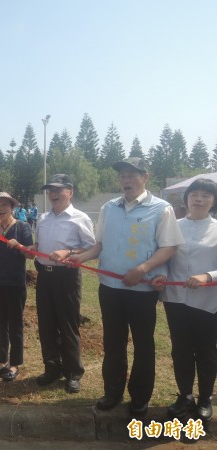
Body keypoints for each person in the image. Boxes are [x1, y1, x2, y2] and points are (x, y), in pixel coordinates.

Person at [68, 157, 183, 416]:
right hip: (110, 288)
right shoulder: (109, 208)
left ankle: (140, 397)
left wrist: (142, 270)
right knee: (113, 342)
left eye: (132, 174)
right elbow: (99, 245)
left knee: (143, 344)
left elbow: (169, 247)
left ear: (146, 177)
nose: (126, 180)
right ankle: (112, 392)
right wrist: (81, 257)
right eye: (122, 175)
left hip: (142, 291)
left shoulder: (161, 209)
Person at [151, 178, 217, 422]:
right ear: (187, 198)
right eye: (194, 194)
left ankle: (205, 398)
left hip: (207, 301)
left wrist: (207, 275)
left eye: (205, 195)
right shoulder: (173, 226)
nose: (199, 199)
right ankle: (185, 395)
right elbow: (165, 259)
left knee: (206, 350)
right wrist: (161, 275)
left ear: (213, 201)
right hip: (176, 299)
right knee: (181, 350)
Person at [31, 174, 95, 394]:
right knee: (47, 324)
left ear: (70, 192)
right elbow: (38, 244)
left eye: (59, 190)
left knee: (68, 325)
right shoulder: (43, 218)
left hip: (67, 277)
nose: (54, 194)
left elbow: (90, 247)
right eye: (51, 191)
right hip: (45, 276)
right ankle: (52, 368)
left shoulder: (80, 218)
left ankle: (72, 373)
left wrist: (68, 251)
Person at [0, 192, 33, 381]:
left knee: (15, 324)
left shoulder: (23, 227)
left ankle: (15, 364)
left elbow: (31, 255)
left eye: (5, 205)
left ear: (12, 207)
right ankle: (2, 361)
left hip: (15, 283)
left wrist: (19, 245)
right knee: (0, 323)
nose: (1, 208)